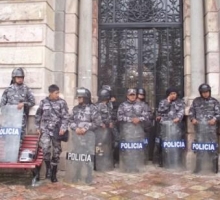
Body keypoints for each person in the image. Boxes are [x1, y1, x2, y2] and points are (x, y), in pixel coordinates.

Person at [35, 84, 69, 182]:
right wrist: (38, 127)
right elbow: (38, 115)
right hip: (45, 130)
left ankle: (54, 174)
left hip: (57, 131)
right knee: (45, 149)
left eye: (58, 93)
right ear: (50, 93)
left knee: (57, 151)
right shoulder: (43, 102)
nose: (58, 95)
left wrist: (63, 128)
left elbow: (66, 117)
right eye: (56, 93)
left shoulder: (62, 103)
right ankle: (48, 168)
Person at [189, 83, 220, 173]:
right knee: (199, 147)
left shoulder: (214, 101)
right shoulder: (196, 101)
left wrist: (214, 119)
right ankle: (198, 167)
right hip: (200, 128)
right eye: (203, 92)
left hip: (211, 129)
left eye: (207, 92)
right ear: (200, 93)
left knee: (212, 147)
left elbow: (218, 113)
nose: (205, 94)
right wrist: (193, 119)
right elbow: (191, 111)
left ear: (209, 92)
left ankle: (214, 168)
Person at [117, 88, 150, 172]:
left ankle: (137, 167)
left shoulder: (142, 105)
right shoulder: (122, 105)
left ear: (136, 95)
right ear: (127, 96)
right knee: (128, 150)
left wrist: (139, 119)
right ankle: (127, 167)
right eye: (130, 95)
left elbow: (147, 116)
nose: (132, 96)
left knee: (137, 150)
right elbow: (119, 117)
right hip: (127, 133)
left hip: (138, 132)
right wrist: (130, 119)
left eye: (133, 95)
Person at [0, 68, 35, 138]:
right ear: (14, 78)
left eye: (22, 77)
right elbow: (2, 104)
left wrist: (24, 104)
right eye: (18, 77)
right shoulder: (8, 90)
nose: (20, 79)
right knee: (8, 139)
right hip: (9, 119)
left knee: (19, 139)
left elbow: (32, 102)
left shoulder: (26, 89)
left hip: (21, 119)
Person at [156, 87, 185, 168]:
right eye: (171, 94)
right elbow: (160, 111)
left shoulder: (180, 102)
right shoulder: (163, 102)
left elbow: (182, 111)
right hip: (164, 127)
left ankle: (175, 161)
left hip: (175, 127)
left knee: (174, 145)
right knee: (164, 144)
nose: (173, 95)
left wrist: (178, 118)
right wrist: (167, 101)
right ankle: (163, 162)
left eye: (174, 93)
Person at [95, 88, 114, 171]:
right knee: (99, 147)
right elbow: (96, 116)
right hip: (100, 130)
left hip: (108, 129)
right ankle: (98, 164)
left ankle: (107, 163)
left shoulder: (109, 105)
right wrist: (100, 123)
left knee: (108, 146)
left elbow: (110, 115)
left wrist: (110, 122)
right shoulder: (98, 105)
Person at [136, 88, 153, 162]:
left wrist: (141, 119)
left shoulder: (146, 104)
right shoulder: (132, 104)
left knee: (144, 145)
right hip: (134, 128)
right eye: (140, 94)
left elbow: (149, 115)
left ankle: (143, 160)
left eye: (142, 95)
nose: (141, 96)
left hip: (144, 128)